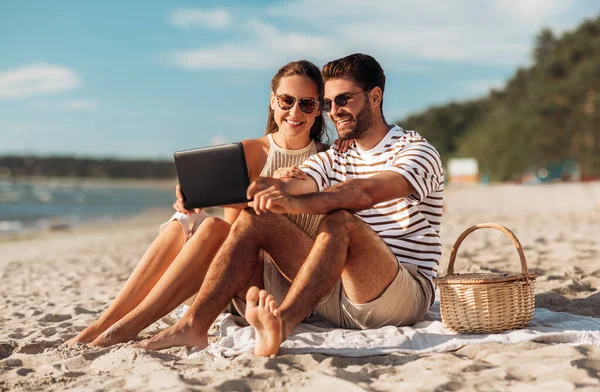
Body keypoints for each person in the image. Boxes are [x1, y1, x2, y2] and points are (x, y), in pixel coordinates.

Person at [132, 53, 444, 357]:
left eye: (344, 99)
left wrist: (293, 202)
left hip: (398, 293)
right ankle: (193, 325)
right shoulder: (337, 155)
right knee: (254, 217)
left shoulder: (416, 151)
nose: (334, 111)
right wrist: (208, 194)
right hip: (336, 293)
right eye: (327, 103)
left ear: (374, 97)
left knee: (341, 221)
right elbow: (292, 183)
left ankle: (280, 326)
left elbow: (365, 193)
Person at [65, 59, 339, 348]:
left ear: (319, 108)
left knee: (211, 228)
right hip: (240, 276)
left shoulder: (326, 159)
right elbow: (235, 236)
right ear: (273, 101)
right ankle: (106, 322)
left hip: (287, 286)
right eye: (286, 100)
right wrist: (197, 197)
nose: (295, 112)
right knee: (181, 224)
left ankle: (128, 327)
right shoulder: (249, 151)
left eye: (307, 104)